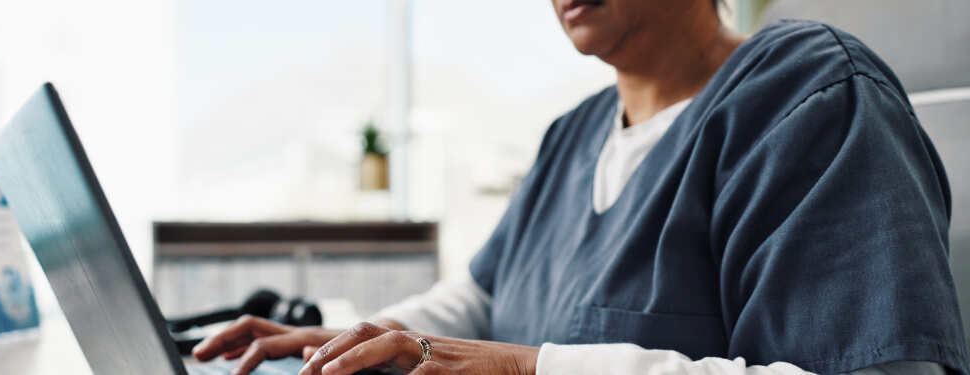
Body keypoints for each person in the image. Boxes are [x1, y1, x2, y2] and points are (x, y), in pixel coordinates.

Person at [193, 0, 970, 374]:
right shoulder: (572, 134)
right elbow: (477, 296)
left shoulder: (812, 97)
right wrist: (352, 339)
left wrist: (529, 368)